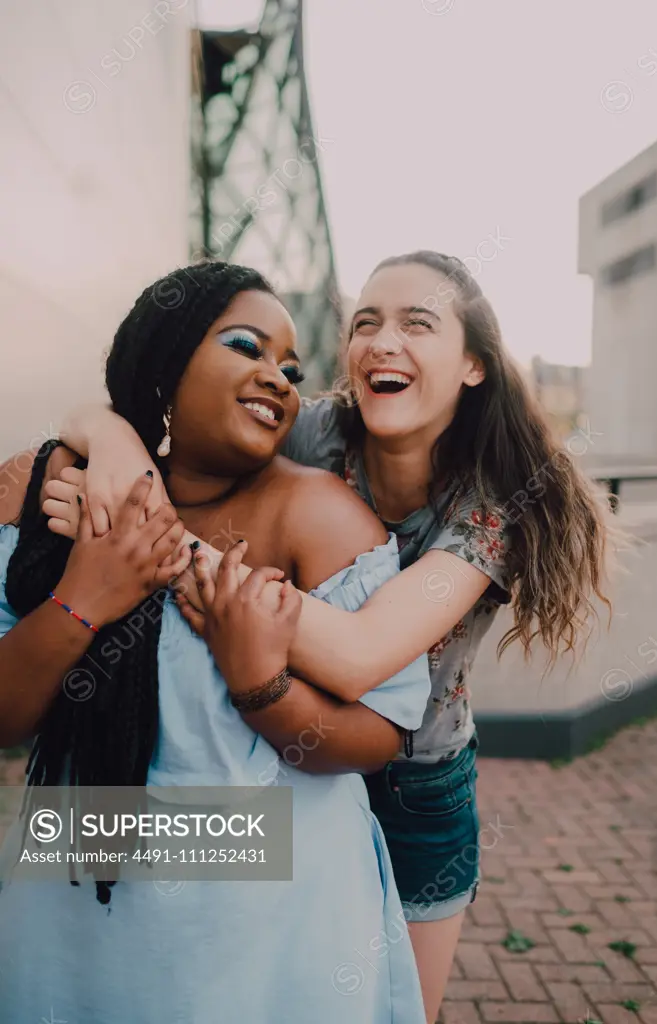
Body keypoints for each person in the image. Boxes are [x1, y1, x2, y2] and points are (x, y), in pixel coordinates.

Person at [34, 252, 615, 1023]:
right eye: (365, 322)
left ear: (473, 364)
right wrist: (114, 451)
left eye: (418, 322)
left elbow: (356, 655)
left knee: (395, 1004)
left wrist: (150, 542)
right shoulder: (312, 430)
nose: (381, 341)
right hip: (292, 768)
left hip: (415, 786)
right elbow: (118, 412)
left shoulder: (490, 508)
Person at [0, 261, 432, 1024]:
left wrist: (259, 681)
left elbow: (382, 733)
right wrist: (84, 600)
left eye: (292, 370)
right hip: (79, 897)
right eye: (247, 347)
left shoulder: (319, 516)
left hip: (267, 939)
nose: (279, 379)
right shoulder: (62, 496)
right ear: (165, 368)